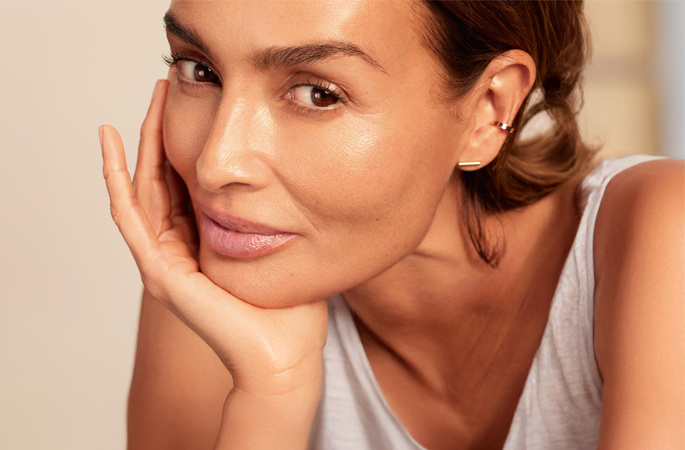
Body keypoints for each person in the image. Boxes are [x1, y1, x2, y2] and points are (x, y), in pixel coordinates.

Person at [99, 1, 684, 449]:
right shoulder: (212, 283)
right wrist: (273, 391)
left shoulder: (661, 233)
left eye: (317, 93)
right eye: (199, 69)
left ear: (489, 110)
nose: (216, 163)